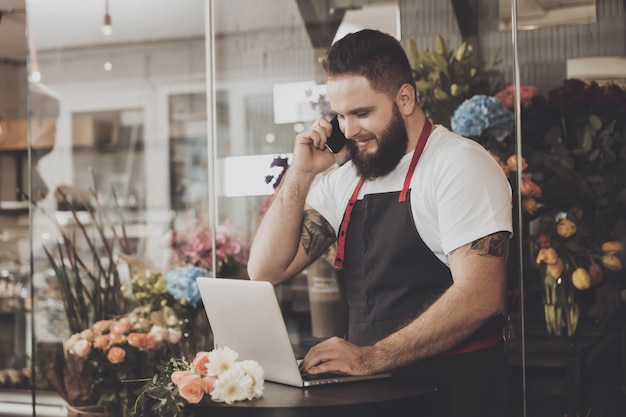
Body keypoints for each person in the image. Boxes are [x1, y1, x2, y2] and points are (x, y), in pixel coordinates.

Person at [247, 29, 512, 417]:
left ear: (405, 98)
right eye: (339, 116)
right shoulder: (345, 180)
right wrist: (300, 174)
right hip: (375, 396)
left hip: (455, 394)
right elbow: (265, 269)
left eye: (362, 113)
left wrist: (370, 357)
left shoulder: (458, 165)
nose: (349, 130)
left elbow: (481, 296)